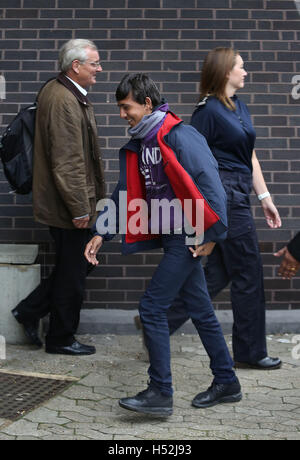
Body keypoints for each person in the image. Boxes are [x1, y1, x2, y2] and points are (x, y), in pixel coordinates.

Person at [85, 73, 242, 416]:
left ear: (147, 104)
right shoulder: (142, 143)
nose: (122, 114)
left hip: (187, 237)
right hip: (174, 235)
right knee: (200, 310)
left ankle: (160, 391)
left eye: (126, 107)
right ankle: (227, 381)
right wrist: (102, 231)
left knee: (152, 308)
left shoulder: (179, 135)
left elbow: (210, 180)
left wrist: (212, 235)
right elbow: (124, 192)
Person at [163, 47, 282, 370]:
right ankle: (250, 351)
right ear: (225, 71)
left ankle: (158, 322)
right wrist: (204, 212)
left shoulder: (238, 107)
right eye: (241, 67)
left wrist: (265, 197)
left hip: (242, 193)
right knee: (248, 272)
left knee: (219, 272)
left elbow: (250, 155)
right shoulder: (208, 112)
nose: (246, 72)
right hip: (225, 196)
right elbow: (194, 162)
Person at [12, 39, 105, 356]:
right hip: (68, 206)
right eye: (94, 63)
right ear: (75, 66)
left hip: (65, 203)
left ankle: (30, 309)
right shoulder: (64, 99)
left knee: (74, 266)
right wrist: (80, 209)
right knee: (74, 273)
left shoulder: (64, 93)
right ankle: (61, 338)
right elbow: (67, 162)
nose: (99, 69)